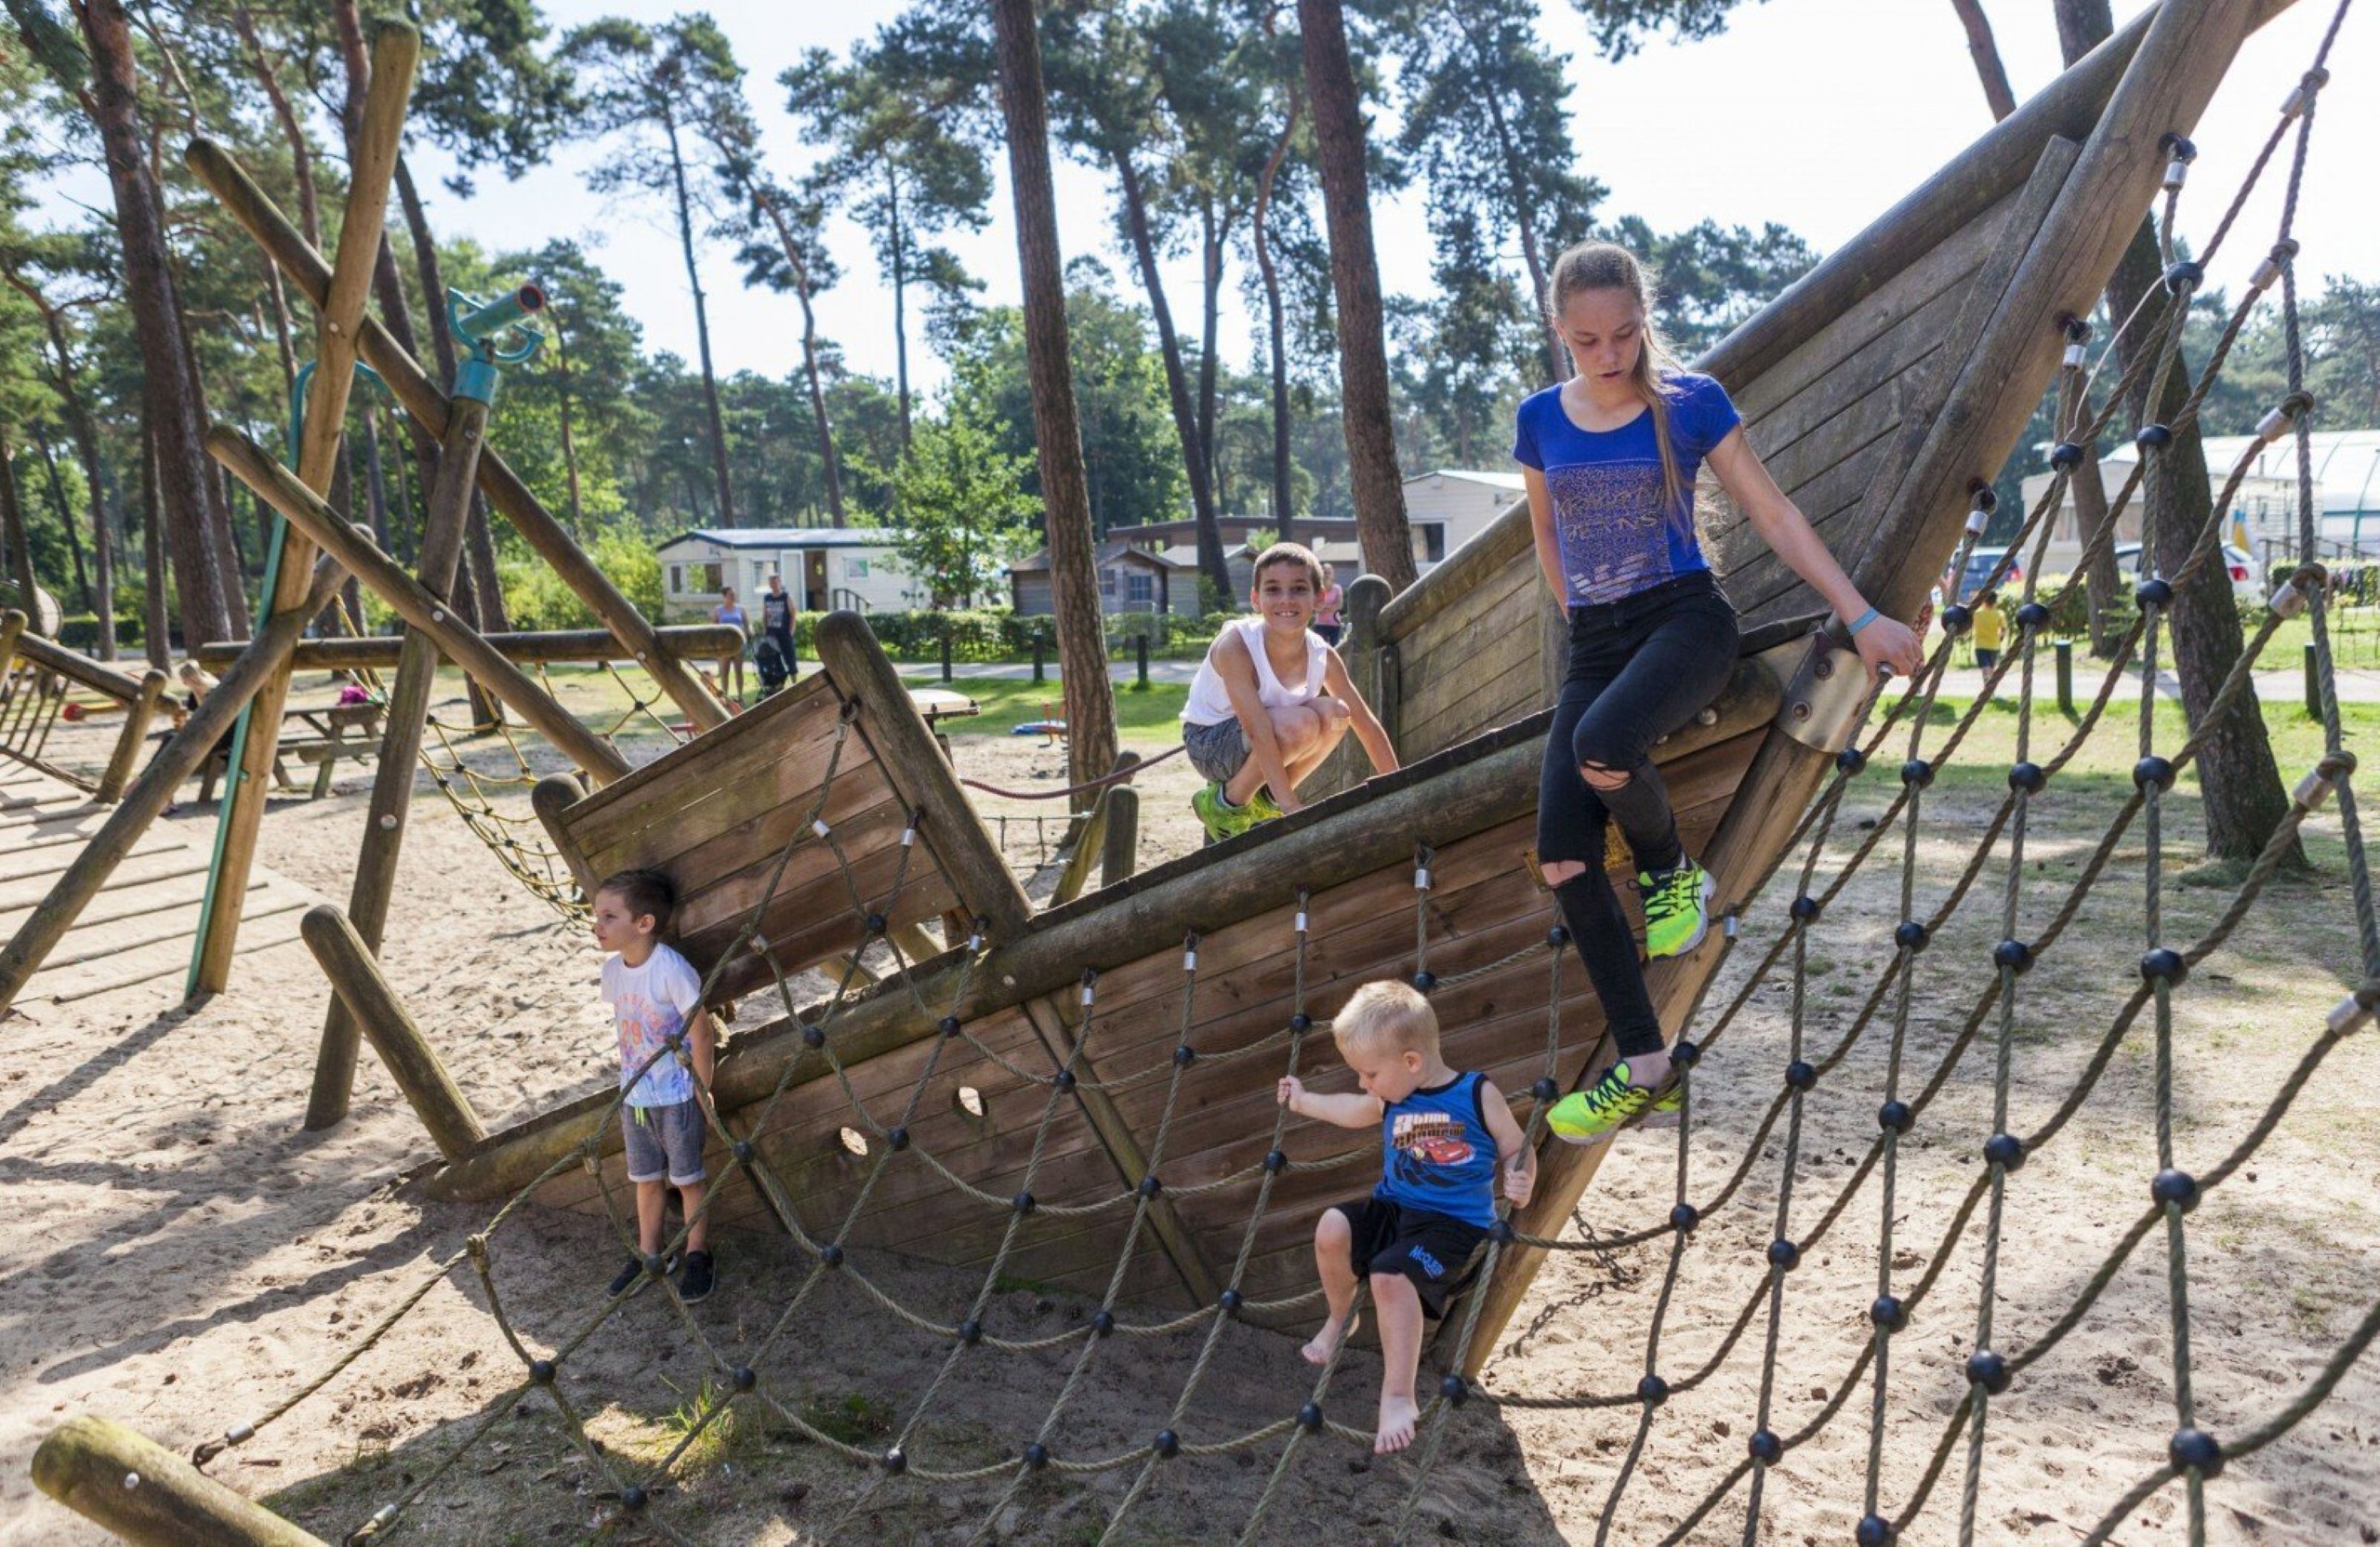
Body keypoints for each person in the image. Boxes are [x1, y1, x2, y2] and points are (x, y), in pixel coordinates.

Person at [1516, 242, 1923, 1145]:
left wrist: (1857, 615)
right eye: (1587, 340)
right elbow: (1546, 534)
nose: (1609, 354)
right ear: (1561, 333)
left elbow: (1774, 511)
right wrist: (1585, 621)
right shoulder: (1538, 419)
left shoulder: (1690, 402)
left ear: (1643, 321)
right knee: (1560, 855)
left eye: (1624, 333)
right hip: (1595, 637)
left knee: (1603, 746)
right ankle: (1646, 1065)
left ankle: (1670, 873)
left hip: (1685, 623)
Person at [1277, 980, 1534, 1454]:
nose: (1363, 1082)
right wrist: (1304, 1101)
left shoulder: (1476, 1093)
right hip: (1396, 1208)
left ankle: (1397, 1395)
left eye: (1369, 1073)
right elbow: (1355, 1109)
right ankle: (1339, 1320)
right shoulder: (1394, 1095)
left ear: (1411, 1061)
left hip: (1452, 1226)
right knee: (1332, 1227)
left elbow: (1516, 1146)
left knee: (1389, 1276)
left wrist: (1521, 1177)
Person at [1180, 542, 1397, 843]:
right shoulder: (1237, 646)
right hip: (1210, 743)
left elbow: (1365, 722)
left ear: (1319, 597)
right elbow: (1258, 729)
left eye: (1298, 588)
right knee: (1302, 723)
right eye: (1272, 590)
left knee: (1337, 714)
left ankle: (1266, 798)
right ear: (1256, 599)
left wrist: (1399, 785)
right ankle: (1226, 804)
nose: (1286, 599)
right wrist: (1292, 809)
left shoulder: (1322, 654)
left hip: (1265, 740)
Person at [592, 868, 717, 1305]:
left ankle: (698, 1253)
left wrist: (702, 1088)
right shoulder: (613, 973)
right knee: (645, 1178)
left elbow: (702, 1032)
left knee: (686, 1178)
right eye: (596, 915)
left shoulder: (670, 970)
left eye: (609, 916)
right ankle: (650, 1253)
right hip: (636, 1096)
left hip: (676, 1093)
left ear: (643, 923)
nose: (598, 925)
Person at [713, 584, 749, 704]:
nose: (733, 597)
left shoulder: (741, 609)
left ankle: (740, 696)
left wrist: (750, 632)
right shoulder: (718, 610)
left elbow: (747, 625)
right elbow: (713, 628)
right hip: (724, 646)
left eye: (734, 595)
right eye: (730, 595)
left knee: (739, 671)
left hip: (739, 644)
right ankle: (725, 697)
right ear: (724, 596)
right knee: (725, 672)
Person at [760, 572, 797, 688]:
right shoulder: (767, 598)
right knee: (775, 660)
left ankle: (795, 684)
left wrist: (791, 631)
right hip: (771, 634)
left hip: (784, 633)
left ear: (779, 583)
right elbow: (764, 616)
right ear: (770, 584)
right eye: (771, 582)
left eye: (776, 582)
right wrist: (765, 630)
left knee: (790, 658)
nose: (774, 584)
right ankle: (780, 684)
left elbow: (793, 614)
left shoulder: (786, 596)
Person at [1970, 588, 2005, 673]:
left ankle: (1987, 683)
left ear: (1983, 601)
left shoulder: (1977, 613)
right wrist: (2001, 637)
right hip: (1994, 645)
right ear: (1995, 601)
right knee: (1991, 668)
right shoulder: (1999, 614)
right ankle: (1990, 684)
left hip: (1980, 645)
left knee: (1985, 668)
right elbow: (2003, 629)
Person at [1314, 562, 1345, 647]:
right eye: (1325, 573)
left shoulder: (1337, 588)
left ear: (1332, 574)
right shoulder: (1316, 589)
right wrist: (1331, 607)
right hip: (1320, 625)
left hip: (1335, 624)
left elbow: (1340, 605)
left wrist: (1323, 607)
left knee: (1335, 649)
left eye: (1329, 573)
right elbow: (1315, 607)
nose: (1327, 575)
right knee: (1319, 649)